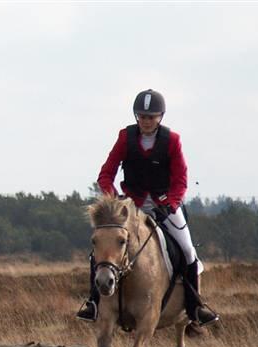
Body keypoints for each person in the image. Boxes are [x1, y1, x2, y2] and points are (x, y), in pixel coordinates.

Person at [76, 89, 219, 327]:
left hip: (165, 205)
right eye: (142, 116)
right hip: (132, 205)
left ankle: (195, 307)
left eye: (151, 117)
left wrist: (171, 203)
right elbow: (106, 173)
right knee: (101, 250)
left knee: (187, 251)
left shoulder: (172, 141)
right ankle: (93, 304)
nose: (146, 121)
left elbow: (181, 179)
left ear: (160, 117)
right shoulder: (125, 137)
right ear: (136, 117)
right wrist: (114, 199)